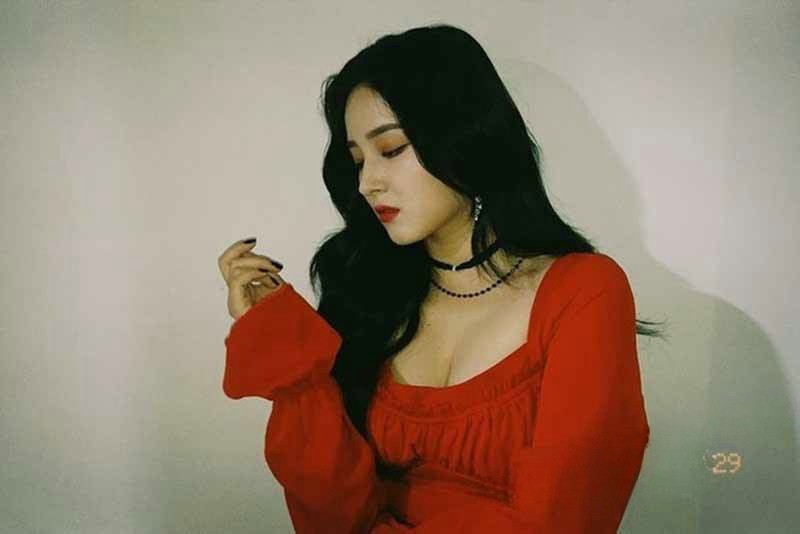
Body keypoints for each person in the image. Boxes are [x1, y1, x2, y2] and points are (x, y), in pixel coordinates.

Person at [217, 23, 665, 533]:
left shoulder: (583, 292)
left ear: (465, 137)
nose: (367, 183)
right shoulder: (371, 296)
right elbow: (333, 517)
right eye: (357, 160)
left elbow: (565, 520)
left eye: (391, 149)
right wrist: (289, 357)